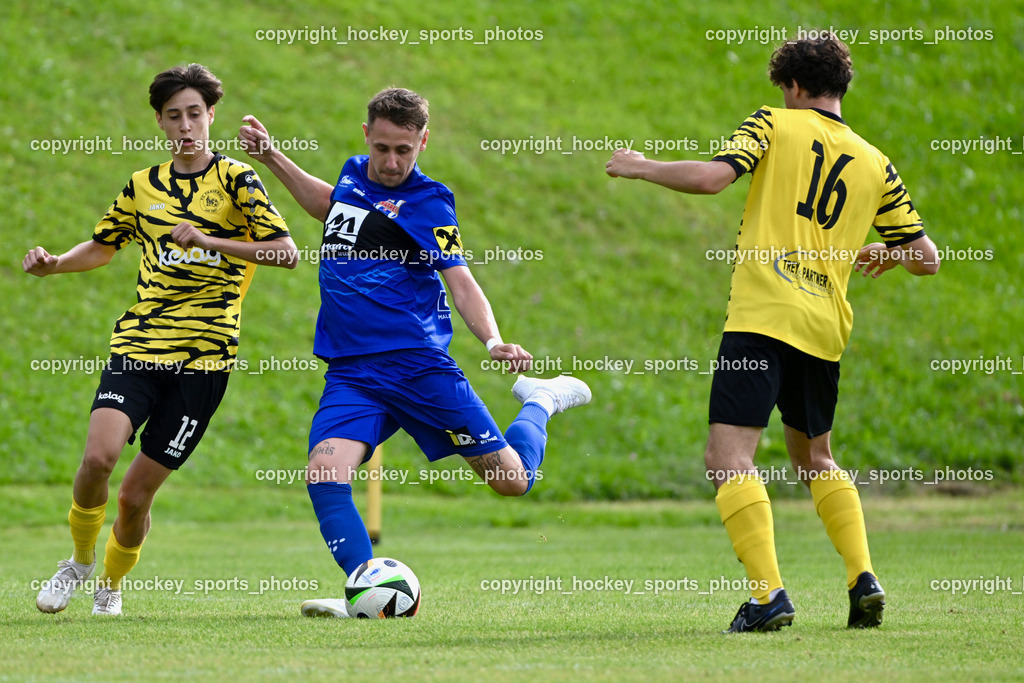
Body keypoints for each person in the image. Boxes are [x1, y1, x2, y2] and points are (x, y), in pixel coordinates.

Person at [606, 34, 938, 632]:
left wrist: (641, 167)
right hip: (824, 326)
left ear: (791, 87)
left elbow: (712, 179)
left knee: (728, 457)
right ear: (840, 87)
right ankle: (863, 576)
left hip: (762, 318)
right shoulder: (873, 160)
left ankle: (767, 597)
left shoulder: (773, 125)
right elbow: (926, 256)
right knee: (816, 457)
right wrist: (887, 255)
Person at [238, 87, 591, 617]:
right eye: (382, 148)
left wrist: (493, 341)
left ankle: (540, 401)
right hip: (353, 373)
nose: (392, 161)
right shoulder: (354, 174)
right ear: (367, 136)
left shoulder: (431, 202)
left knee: (512, 482)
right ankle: (363, 588)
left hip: (418, 367)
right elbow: (328, 204)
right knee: (324, 472)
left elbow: (461, 281)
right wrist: (272, 157)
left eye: (404, 149)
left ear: (423, 141)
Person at [25, 64, 298, 616]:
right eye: (174, 116)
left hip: (205, 362)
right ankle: (78, 561)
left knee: (133, 497)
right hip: (140, 347)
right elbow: (104, 246)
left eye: (194, 113)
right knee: (99, 458)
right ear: (160, 122)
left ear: (210, 116)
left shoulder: (239, 180)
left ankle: (110, 582)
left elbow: (285, 252)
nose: (185, 125)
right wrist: (55, 265)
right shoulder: (142, 185)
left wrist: (211, 239)